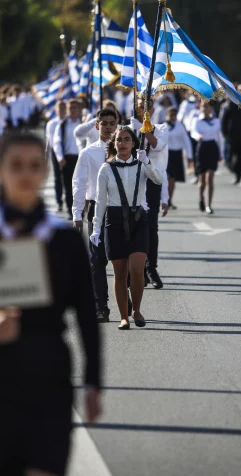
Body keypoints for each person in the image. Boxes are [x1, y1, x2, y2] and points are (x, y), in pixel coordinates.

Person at [0, 131, 102, 474]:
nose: (25, 174)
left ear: (44, 172)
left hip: (49, 379)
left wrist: (92, 381)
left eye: (34, 166)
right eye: (16, 165)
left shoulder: (65, 241)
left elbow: (87, 315)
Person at [91, 125, 163, 330]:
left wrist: (147, 161)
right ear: (114, 144)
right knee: (120, 273)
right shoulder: (106, 168)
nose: (122, 143)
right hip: (113, 220)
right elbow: (100, 201)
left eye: (126, 139)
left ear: (133, 143)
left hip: (138, 218)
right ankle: (124, 316)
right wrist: (96, 229)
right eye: (119, 140)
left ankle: (137, 309)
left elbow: (158, 180)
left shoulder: (141, 165)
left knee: (137, 270)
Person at [73, 108, 119, 321]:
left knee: (122, 259)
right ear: (97, 125)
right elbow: (79, 184)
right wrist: (77, 214)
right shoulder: (88, 153)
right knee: (97, 260)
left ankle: (126, 301)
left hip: (121, 209)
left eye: (112, 122)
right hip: (96, 210)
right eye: (105, 123)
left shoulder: (127, 149)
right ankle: (101, 306)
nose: (109, 127)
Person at [131, 97, 169, 289]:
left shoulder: (161, 128)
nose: (143, 110)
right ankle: (136, 270)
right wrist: (135, 128)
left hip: (152, 180)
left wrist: (166, 197)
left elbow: (158, 146)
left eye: (147, 107)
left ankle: (151, 268)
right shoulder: (129, 127)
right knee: (133, 225)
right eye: (140, 107)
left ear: (153, 110)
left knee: (152, 227)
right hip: (132, 181)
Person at [191, 100, 223, 214]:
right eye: (203, 106)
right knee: (202, 180)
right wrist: (198, 136)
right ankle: (201, 198)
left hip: (212, 148)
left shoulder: (216, 121)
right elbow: (193, 132)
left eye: (208, 106)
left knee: (210, 178)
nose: (205, 108)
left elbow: (219, 137)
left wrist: (221, 153)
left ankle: (209, 204)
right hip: (202, 147)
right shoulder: (196, 120)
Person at [53, 99, 83, 215]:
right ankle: (71, 209)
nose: (73, 110)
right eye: (71, 108)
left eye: (75, 108)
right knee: (68, 185)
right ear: (68, 110)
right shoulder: (62, 124)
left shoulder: (82, 123)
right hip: (67, 159)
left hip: (80, 159)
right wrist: (60, 157)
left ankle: (80, 209)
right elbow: (57, 142)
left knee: (80, 186)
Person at [220, 84, 241, 185]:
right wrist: (225, 133)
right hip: (234, 135)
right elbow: (224, 120)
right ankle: (238, 176)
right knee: (236, 157)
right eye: (240, 91)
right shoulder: (231, 104)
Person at [164, 106, 193, 210]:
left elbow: (186, 141)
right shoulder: (162, 127)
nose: (172, 117)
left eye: (174, 115)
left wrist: (190, 156)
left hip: (177, 154)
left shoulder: (180, 126)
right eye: (170, 115)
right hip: (166, 155)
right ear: (166, 115)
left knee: (172, 180)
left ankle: (169, 200)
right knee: (166, 179)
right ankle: (164, 198)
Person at [45, 101, 67, 213]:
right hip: (55, 151)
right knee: (57, 177)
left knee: (68, 178)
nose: (62, 110)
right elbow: (49, 140)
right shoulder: (52, 124)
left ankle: (69, 200)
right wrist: (46, 154)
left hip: (67, 151)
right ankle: (59, 201)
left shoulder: (68, 122)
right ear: (56, 110)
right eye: (60, 108)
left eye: (64, 107)